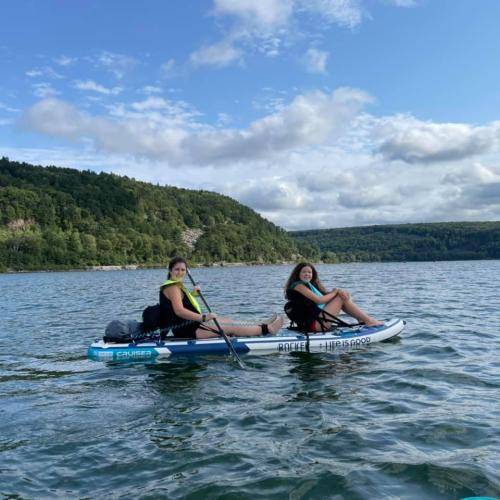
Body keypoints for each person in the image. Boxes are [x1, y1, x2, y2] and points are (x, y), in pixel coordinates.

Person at [160, 257, 284, 339]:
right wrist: (203, 317)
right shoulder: (173, 287)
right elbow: (179, 311)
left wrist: (193, 294)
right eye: (177, 269)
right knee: (232, 327)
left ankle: (261, 324)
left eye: (183, 270)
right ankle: (268, 329)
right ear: (170, 270)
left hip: (191, 325)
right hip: (188, 330)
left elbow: (180, 302)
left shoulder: (174, 285)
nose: (180, 272)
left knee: (228, 320)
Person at [284, 262, 383, 332]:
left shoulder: (310, 286)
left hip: (315, 323)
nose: (307, 274)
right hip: (316, 325)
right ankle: (367, 320)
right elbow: (319, 300)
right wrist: (336, 292)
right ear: (298, 274)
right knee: (340, 298)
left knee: (340, 296)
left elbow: (326, 296)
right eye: (304, 272)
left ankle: (363, 319)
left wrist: (338, 291)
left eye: (309, 272)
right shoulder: (298, 285)